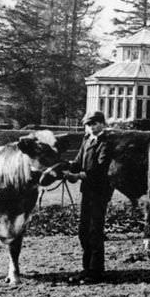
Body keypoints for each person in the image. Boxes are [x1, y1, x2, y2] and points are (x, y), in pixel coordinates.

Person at [62, 111, 111, 284]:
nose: (91, 127)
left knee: (95, 231)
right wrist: (64, 168)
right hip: (87, 191)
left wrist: (78, 176)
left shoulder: (106, 142)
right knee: (83, 230)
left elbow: (100, 169)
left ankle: (96, 271)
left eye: (95, 123)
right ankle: (86, 268)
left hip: (100, 191)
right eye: (89, 124)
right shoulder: (87, 140)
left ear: (102, 124)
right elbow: (76, 163)